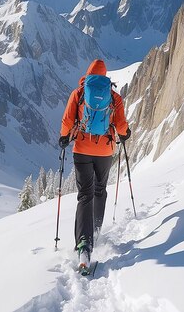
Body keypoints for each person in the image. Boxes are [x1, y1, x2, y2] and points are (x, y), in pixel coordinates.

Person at [59, 59, 130, 271]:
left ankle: (84, 244)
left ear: (88, 75)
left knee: (85, 195)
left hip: (81, 149)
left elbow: (66, 121)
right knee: (100, 191)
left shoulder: (79, 93)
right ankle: (96, 230)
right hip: (105, 151)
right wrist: (125, 134)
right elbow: (121, 124)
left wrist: (64, 138)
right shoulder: (113, 96)